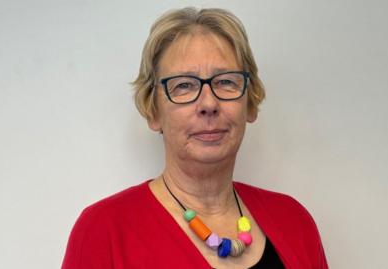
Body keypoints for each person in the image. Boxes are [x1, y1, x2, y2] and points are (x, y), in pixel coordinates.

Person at [62, 7, 328, 269]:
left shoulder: (294, 221)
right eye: (184, 85)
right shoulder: (104, 231)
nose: (209, 103)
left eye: (226, 81)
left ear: (250, 102)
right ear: (153, 111)